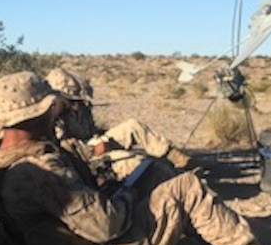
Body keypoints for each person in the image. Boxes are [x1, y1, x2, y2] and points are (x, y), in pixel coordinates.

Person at [0, 71, 271, 245]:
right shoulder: (39, 169)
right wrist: (128, 194)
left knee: (157, 173)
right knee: (187, 187)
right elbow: (107, 224)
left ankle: (216, 241)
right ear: (36, 114)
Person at [46, 67, 193, 178]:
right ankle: (172, 178)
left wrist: (100, 136)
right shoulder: (50, 119)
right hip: (84, 157)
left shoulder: (80, 107)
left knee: (133, 126)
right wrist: (93, 150)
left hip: (94, 143)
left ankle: (178, 159)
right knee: (134, 161)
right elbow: (63, 150)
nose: (76, 103)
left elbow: (90, 129)